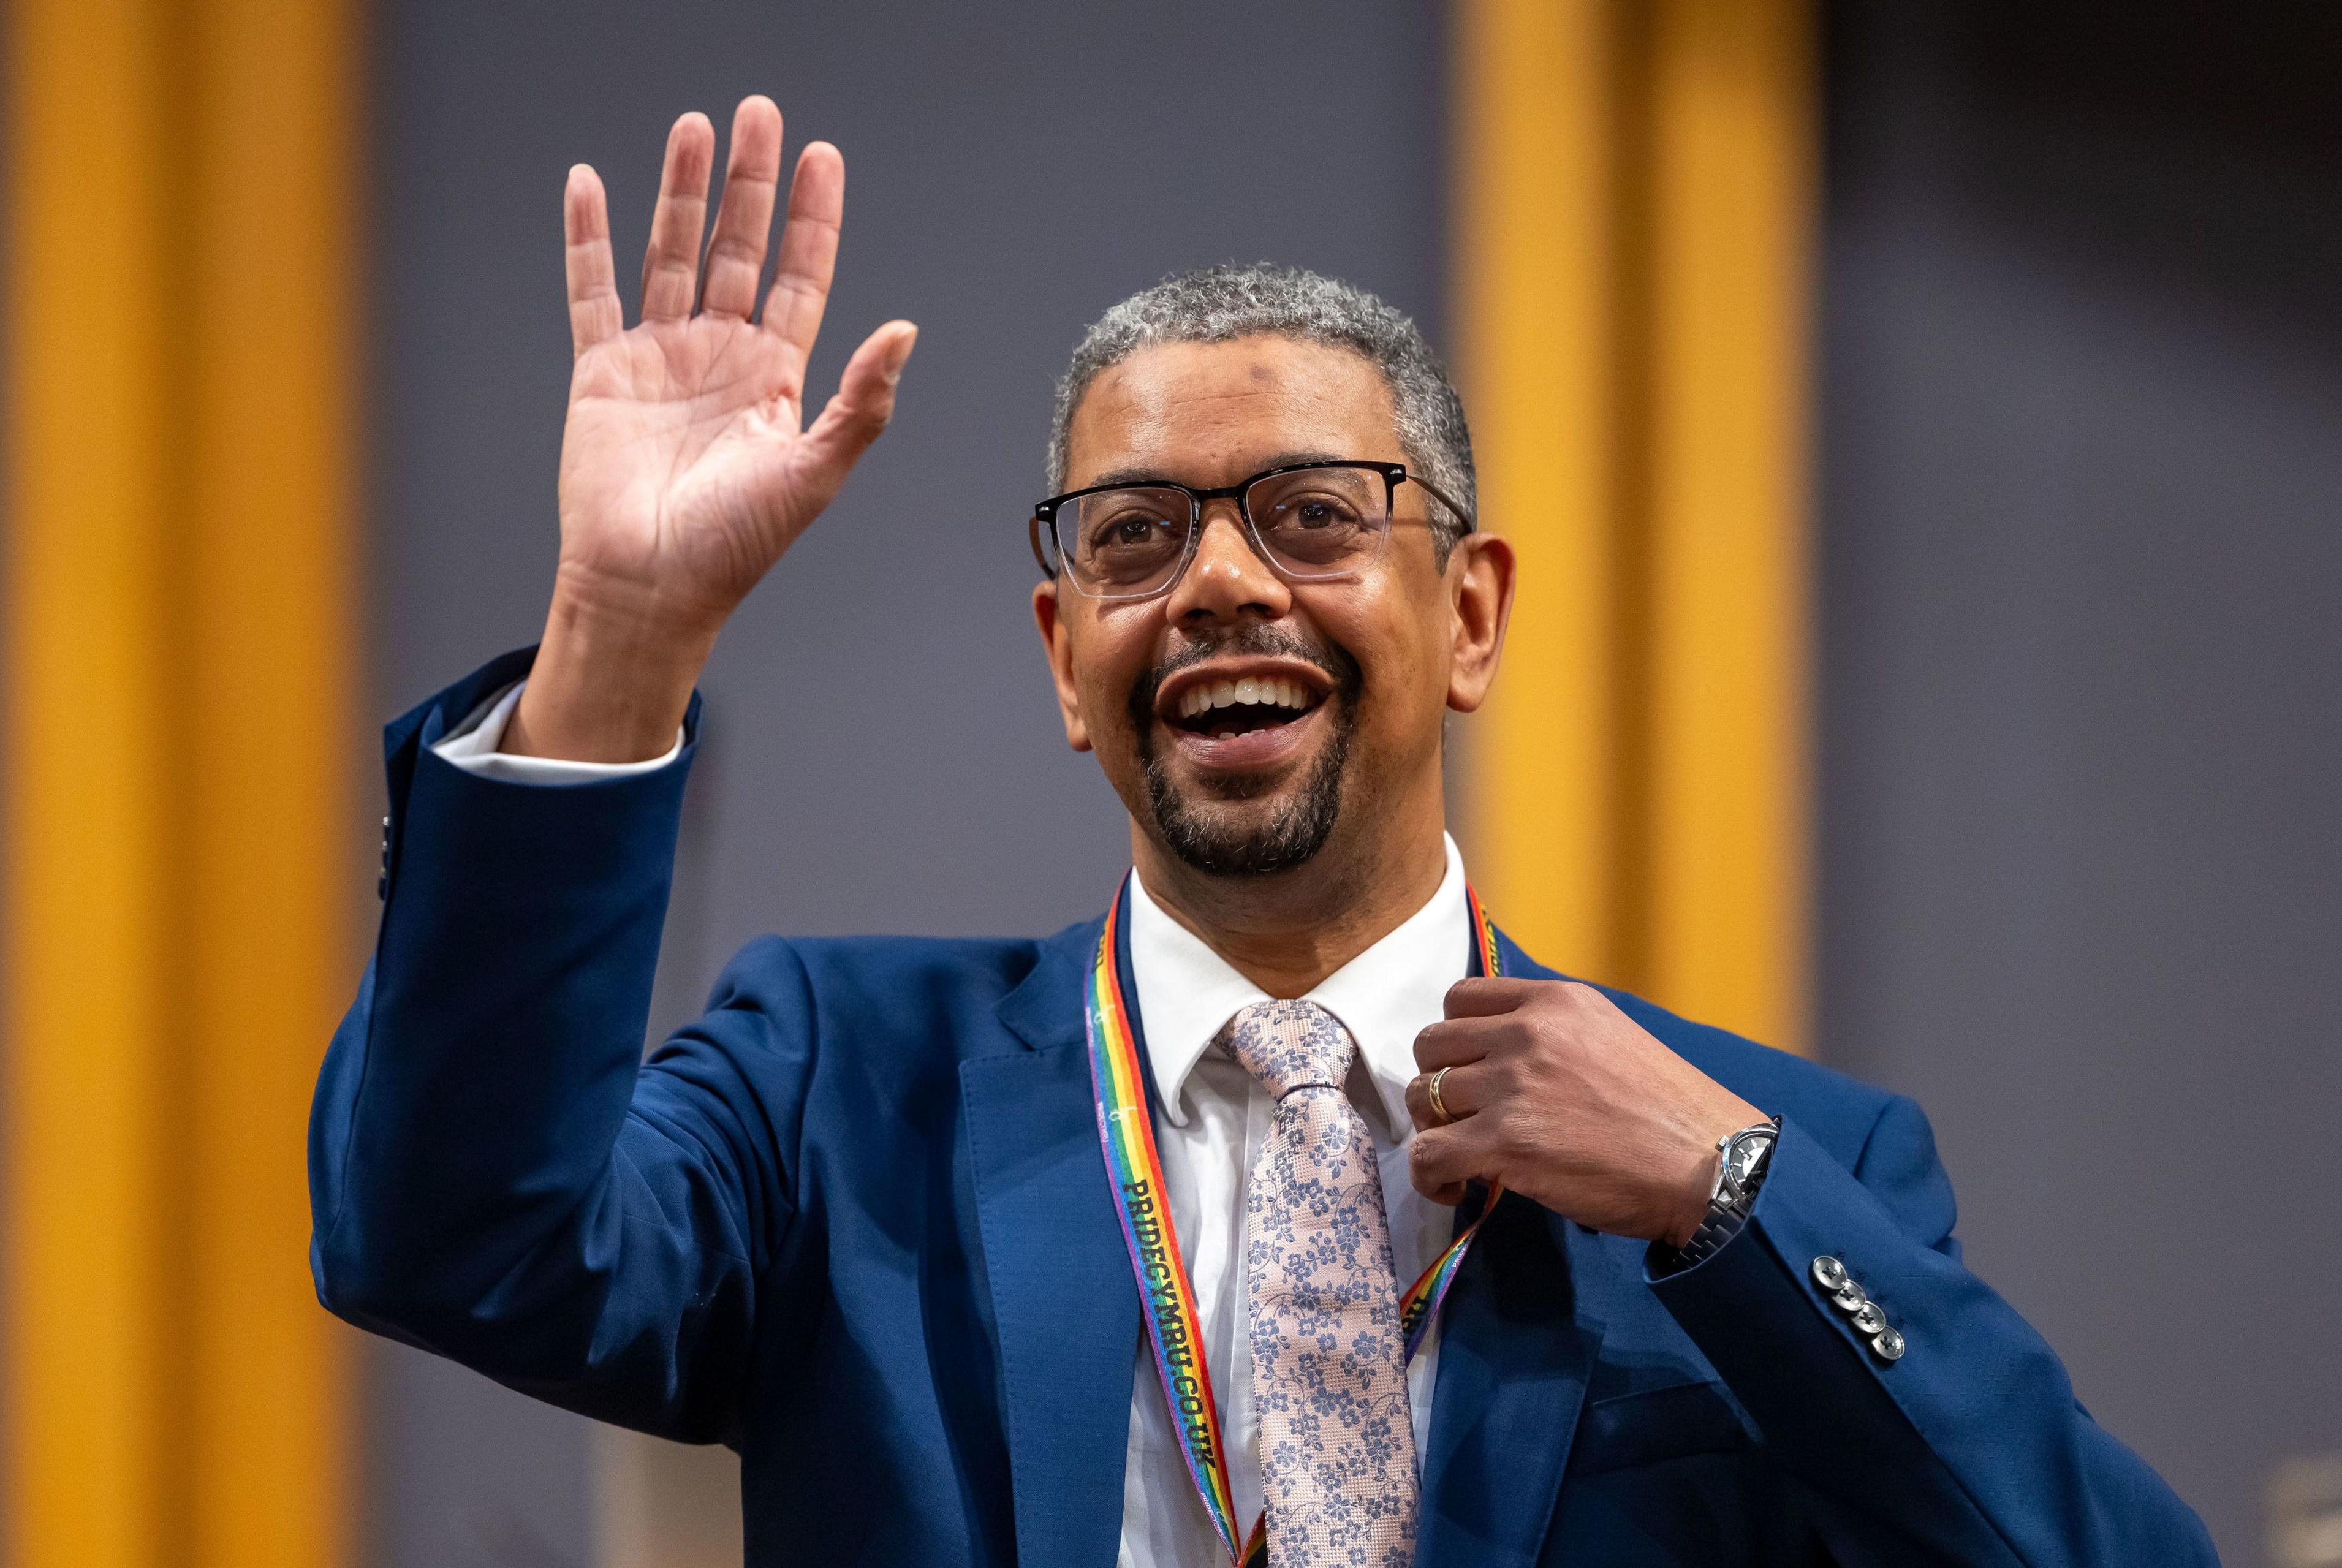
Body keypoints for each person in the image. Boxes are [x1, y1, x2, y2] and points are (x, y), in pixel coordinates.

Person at [309, 95, 2216, 1568]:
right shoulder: (840, 1091)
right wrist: (620, 641)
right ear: (1070, 662)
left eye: (1314, 512)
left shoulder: (1770, 1163)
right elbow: (447, 1242)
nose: (1221, 582)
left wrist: (1732, 1205)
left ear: (1468, 614)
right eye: (1136, 536)